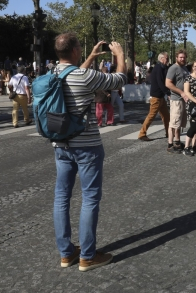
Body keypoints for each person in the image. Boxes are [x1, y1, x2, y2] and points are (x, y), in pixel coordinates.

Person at [50, 33, 126, 271]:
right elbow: (119, 79)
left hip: (61, 144)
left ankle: (66, 253)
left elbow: (73, 75)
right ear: (73, 51)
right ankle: (88, 256)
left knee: (61, 197)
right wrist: (120, 55)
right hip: (87, 145)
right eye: (80, 48)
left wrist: (92, 56)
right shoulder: (86, 76)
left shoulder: (52, 74)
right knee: (90, 198)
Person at [138, 52, 170, 142]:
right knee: (151, 116)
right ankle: (142, 133)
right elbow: (160, 82)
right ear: (161, 59)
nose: (167, 60)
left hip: (160, 96)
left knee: (166, 116)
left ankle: (169, 132)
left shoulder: (161, 67)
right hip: (156, 96)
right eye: (166, 58)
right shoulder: (159, 68)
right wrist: (167, 92)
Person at [165, 50, 190, 154]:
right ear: (176, 58)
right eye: (180, 57)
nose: (182, 59)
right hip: (176, 99)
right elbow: (168, 83)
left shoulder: (184, 68)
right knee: (174, 123)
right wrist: (181, 93)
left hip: (183, 99)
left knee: (179, 123)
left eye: (184, 57)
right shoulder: (173, 68)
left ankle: (177, 141)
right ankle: (170, 144)